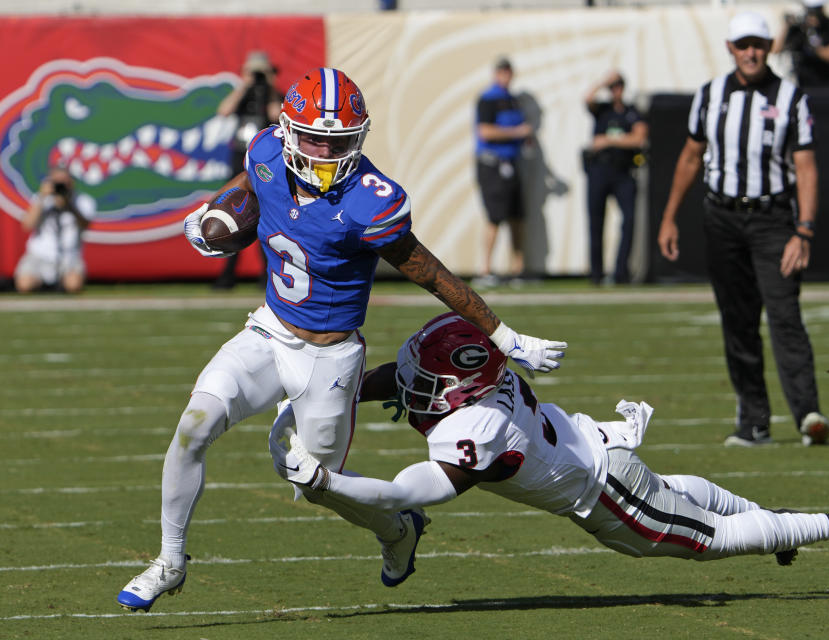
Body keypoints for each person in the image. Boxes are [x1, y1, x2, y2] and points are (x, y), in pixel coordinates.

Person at [116, 67, 567, 613]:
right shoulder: (265, 151)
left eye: (339, 141)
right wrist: (216, 212)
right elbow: (251, 183)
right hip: (268, 331)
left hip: (330, 357)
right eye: (314, 138)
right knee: (194, 426)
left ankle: (398, 530)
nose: (326, 152)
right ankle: (169, 560)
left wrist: (504, 334)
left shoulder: (370, 200)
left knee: (315, 481)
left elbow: (431, 272)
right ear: (286, 131)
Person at [270, 311, 829, 579]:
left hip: (605, 495)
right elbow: (396, 375)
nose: (413, 382)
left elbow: (407, 492)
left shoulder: (476, 430)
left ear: (459, 389)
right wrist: (326, 392)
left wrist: (329, 483)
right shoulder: (476, 380)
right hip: (604, 453)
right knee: (682, 495)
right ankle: (777, 522)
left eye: (428, 380)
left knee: (706, 540)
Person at [656, 12, 829, 448]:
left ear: (770, 46)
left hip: (773, 220)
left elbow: (806, 168)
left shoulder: (791, 98)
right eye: (742, 44)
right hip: (722, 217)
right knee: (738, 321)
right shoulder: (710, 96)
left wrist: (804, 230)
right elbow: (691, 157)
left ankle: (808, 413)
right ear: (730, 48)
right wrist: (668, 216)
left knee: (785, 313)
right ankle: (753, 423)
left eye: (758, 43)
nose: (750, 51)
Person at [211, 51, 283, 290]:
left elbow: (276, 115)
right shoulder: (243, 96)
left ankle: (267, 276)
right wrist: (246, 84)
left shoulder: (273, 96)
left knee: (266, 218)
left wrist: (269, 87)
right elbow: (224, 110)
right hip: (240, 159)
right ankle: (227, 275)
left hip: (266, 162)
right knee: (233, 214)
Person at [583, 71, 648, 285]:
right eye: (612, 86)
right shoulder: (602, 110)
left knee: (629, 220)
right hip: (600, 170)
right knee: (596, 222)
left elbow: (638, 138)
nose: (615, 90)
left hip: (623, 171)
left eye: (618, 85)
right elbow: (587, 98)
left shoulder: (631, 112)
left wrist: (609, 140)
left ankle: (621, 272)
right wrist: (603, 80)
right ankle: (596, 274)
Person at [473, 56, 532, 288]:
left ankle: (518, 270)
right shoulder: (488, 99)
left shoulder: (513, 100)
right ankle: (485, 269)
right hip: (492, 164)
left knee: (517, 216)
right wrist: (518, 132)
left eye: (509, 72)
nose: (506, 76)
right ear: (496, 74)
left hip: (512, 163)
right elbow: (485, 132)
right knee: (494, 216)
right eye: (502, 72)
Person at [14, 164, 96, 294]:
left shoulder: (82, 200)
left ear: (71, 182)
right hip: (40, 255)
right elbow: (27, 225)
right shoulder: (42, 199)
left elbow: (85, 225)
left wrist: (69, 205)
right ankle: (44, 285)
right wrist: (42, 197)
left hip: (69, 256)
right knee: (24, 285)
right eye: (57, 182)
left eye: (64, 182)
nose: (60, 186)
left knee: (73, 285)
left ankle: (58, 284)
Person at [773, 0, 829, 90]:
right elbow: (776, 49)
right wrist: (786, 26)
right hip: (804, 86)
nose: (813, 15)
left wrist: (814, 46)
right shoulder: (798, 28)